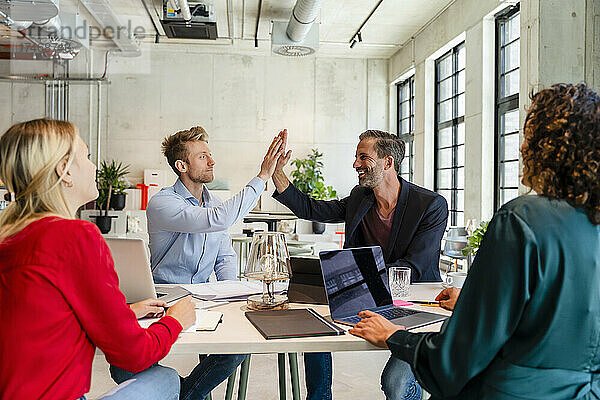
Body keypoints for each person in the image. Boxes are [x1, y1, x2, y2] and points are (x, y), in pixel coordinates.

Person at [350, 83, 600, 399]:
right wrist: (474, 299)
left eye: (528, 138)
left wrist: (394, 336)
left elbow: (455, 360)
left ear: (542, 149)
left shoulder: (521, 221)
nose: (521, 149)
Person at [0, 119, 196, 400]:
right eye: (87, 156)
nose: (93, 166)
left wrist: (127, 312)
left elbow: (44, 322)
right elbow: (133, 356)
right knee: (166, 379)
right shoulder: (73, 237)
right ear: (63, 171)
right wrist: (175, 321)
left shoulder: (10, 238)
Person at [272, 129, 449, 400]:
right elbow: (314, 209)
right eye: (356, 157)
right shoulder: (360, 197)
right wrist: (278, 175)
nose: (355, 164)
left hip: (412, 302)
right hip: (364, 294)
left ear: (388, 162)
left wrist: (360, 279)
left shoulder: (430, 205)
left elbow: (413, 267)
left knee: (395, 384)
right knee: (313, 325)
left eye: (363, 157)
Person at [110, 126, 286, 398]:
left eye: (209, 154)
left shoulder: (214, 203)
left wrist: (232, 294)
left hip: (205, 299)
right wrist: (263, 176)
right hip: (164, 299)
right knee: (124, 367)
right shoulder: (163, 203)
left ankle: (185, 395)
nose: (212, 161)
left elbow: (225, 256)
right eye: (203, 156)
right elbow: (217, 221)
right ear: (182, 165)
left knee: (239, 345)